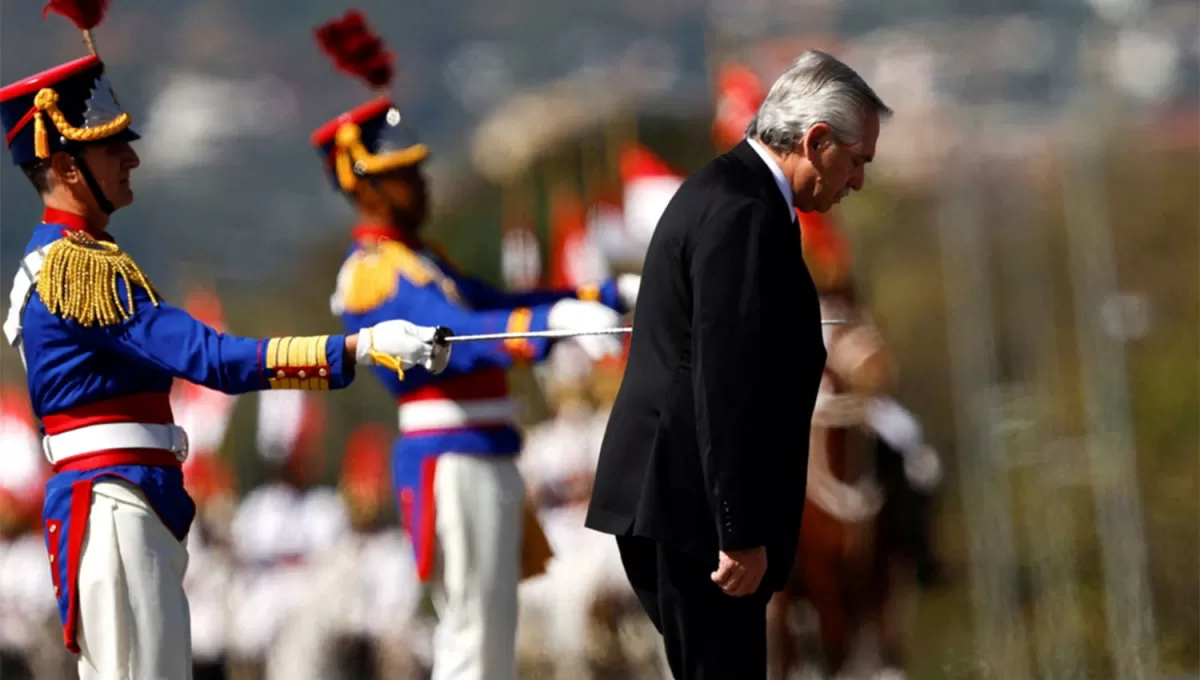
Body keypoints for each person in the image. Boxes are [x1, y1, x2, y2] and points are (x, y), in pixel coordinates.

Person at [0, 7, 451, 679]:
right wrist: (357, 349)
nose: (132, 157)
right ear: (65, 166)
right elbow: (209, 358)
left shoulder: (82, 259)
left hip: (128, 497)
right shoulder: (78, 268)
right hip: (115, 500)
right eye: (109, 148)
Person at [309, 10, 639, 680]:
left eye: (417, 170)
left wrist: (598, 299)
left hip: (485, 449)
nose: (421, 184)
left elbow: (498, 305)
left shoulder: (423, 260)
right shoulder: (373, 274)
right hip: (449, 456)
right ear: (362, 184)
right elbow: (454, 340)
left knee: (492, 635)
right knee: (469, 635)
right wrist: (553, 328)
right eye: (403, 174)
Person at [585, 49, 892, 679]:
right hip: (694, 512)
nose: (858, 181)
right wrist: (739, 529)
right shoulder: (743, 213)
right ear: (816, 140)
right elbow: (725, 381)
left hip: (684, 501)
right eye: (857, 161)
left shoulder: (739, 197)